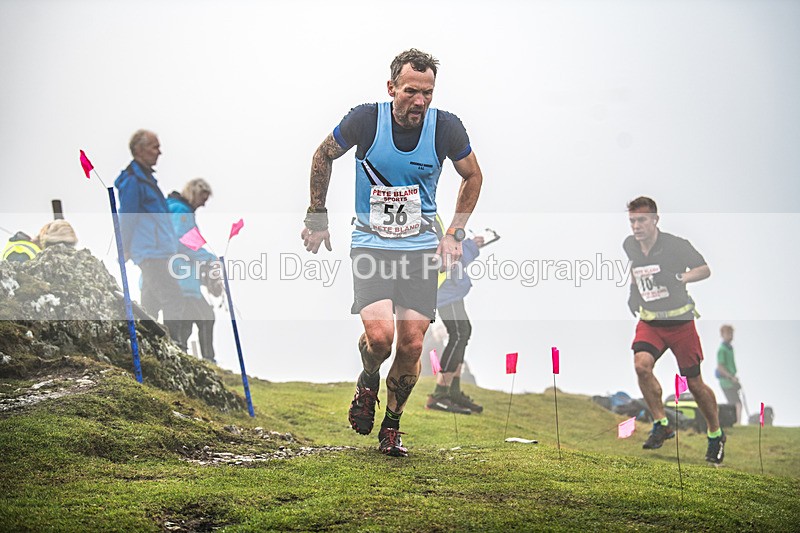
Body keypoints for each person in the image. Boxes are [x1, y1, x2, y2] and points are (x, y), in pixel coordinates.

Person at [301, 49, 483, 457]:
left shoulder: (445, 128)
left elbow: (473, 174)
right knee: (380, 340)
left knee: (413, 345)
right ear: (391, 88)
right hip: (371, 246)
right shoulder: (366, 120)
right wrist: (317, 216)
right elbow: (322, 154)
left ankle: (392, 426)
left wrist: (455, 232)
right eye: (411, 91)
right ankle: (368, 381)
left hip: (420, 250)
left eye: (428, 93)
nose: (420, 101)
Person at [624, 196, 726, 464]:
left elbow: (704, 270)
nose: (636, 226)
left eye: (642, 220)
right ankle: (662, 423)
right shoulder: (629, 245)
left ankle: (715, 434)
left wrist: (679, 277)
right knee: (641, 366)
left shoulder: (675, 245)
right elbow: (636, 269)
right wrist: (633, 292)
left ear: (655, 220)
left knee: (694, 383)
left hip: (680, 324)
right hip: (650, 323)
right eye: (632, 220)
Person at [114, 129, 186, 349]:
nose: (159, 152)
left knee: (151, 302)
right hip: (150, 252)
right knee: (174, 298)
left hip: (160, 250)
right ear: (139, 149)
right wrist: (124, 248)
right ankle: (175, 346)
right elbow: (128, 216)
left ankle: (150, 346)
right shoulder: (133, 180)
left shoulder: (147, 180)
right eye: (155, 147)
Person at [426, 221, 485, 414]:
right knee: (458, 334)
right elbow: (451, 253)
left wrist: (470, 245)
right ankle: (440, 394)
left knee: (463, 332)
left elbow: (451, 245)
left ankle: (452, 391)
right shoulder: (428, 222)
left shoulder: (431, 219)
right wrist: (471, 246)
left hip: (451, 290)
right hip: (445, 292)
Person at [167, 178, 220, 362]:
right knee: (206, 316)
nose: (203, 204)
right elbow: (183, 243)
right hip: (181, 277)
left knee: (186, 322)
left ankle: (181, 357)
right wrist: (211, 260)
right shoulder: (181, 212)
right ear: (193, 192)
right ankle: (208, 360)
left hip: (181, 276)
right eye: (202, 198)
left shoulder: (175, 209)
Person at [716, 324, 742, 424]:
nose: (730, 336)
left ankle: (736, 422)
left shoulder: (730, 348)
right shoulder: (722, 350)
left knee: (736, 403)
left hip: (732, 380)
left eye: (731, 333)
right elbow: (720, 367)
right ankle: (737, 423)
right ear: (722, 335)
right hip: (726, 381)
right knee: (736, 404)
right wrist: (731, 377)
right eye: (728, 333)